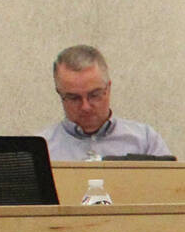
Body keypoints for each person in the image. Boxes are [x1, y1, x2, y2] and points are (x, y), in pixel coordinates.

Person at [39, 45, 171, 160]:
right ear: (59, 94)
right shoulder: (42, 149)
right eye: (74, 98)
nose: (86, 106)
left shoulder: (145, 141)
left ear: (108, 88)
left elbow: (171, 186)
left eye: (94, 95)